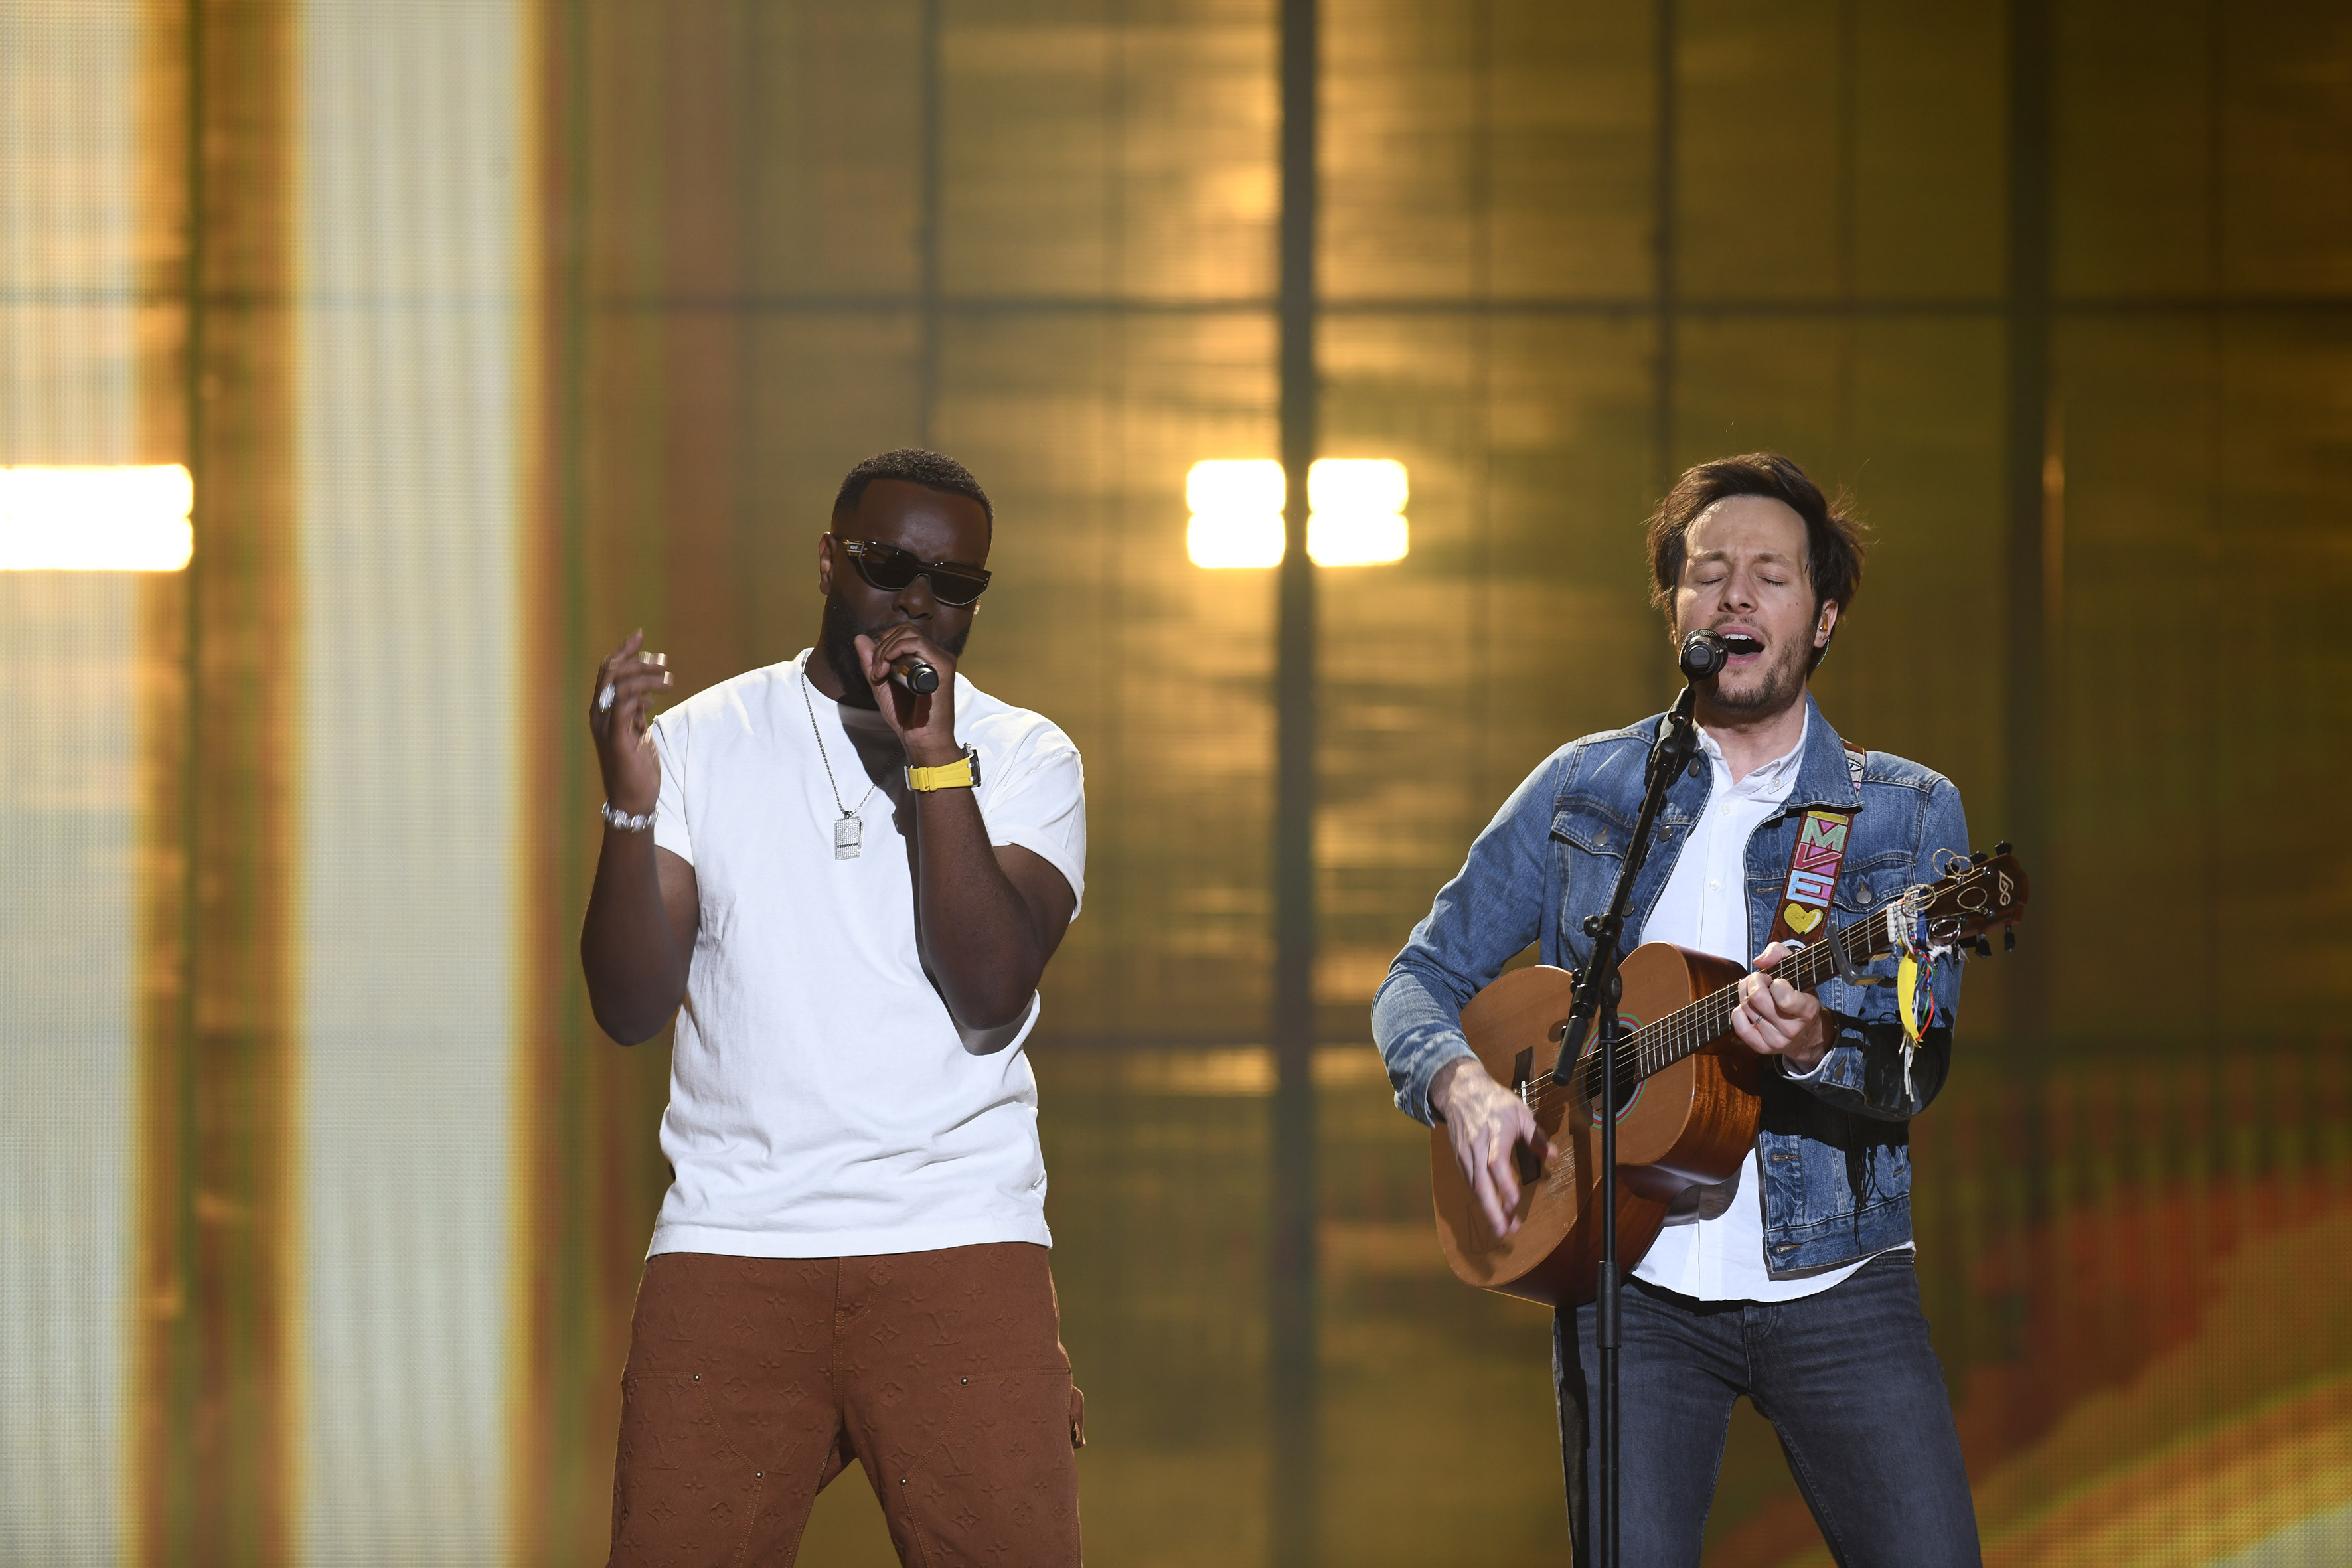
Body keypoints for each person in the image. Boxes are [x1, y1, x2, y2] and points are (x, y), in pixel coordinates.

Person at [1372, 453, 1982, 1566]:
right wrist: (1459, 1085)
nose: (1735, 595)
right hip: (1628, 1281)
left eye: (1771, 575)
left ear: (1825, 616)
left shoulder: (1906, 811)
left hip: (1838, 1283)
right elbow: (1419, 976)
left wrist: (1807, 1050)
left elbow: (1915, 1060)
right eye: (1707, 573)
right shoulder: (1585, 788)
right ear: (1675, 609)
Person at [582, 448, 1088, 1567]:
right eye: (887, 564)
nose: (917, 599)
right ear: (827, 559)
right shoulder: (703, 744)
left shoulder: (1022, 754)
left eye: (953, 583)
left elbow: (991, 991)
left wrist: (933, 761)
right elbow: (628, 1005)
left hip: (959, 1241)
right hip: (736, 1245)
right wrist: (628, 814)